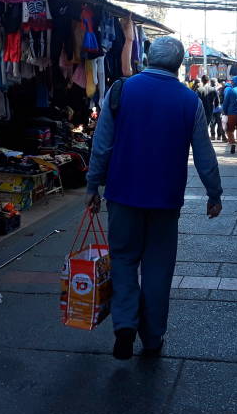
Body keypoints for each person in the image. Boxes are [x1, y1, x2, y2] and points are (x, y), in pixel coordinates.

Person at [86, 36, 223, 360]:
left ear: (147, 57)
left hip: (122, 195)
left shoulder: (120, 90)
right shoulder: (188, 101)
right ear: (179, 64)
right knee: (158, 268)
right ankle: (151, 338)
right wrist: (213, 193)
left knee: (122, 259)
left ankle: (124, 324)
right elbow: (204, 153)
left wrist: (93, 186)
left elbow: (102, 144)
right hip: (165, 199)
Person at [198, 75, 220, 140]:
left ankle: (203, 137)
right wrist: (215, 106)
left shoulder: (199, 90)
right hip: (210, 110)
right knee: (208, 124)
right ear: (208, 81)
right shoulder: (213, 89)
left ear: (202, 81)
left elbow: (196, 101)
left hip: (201, 110)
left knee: (202, 125)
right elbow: (217, 101)